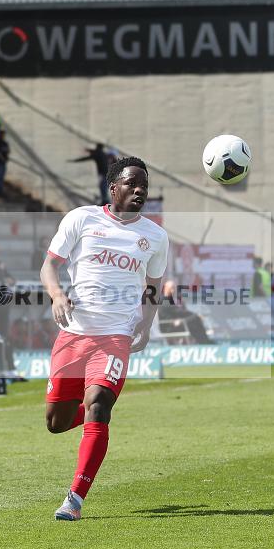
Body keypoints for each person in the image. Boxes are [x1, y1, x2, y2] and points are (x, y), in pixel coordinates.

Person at [40, 156, 169, 521]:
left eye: (144, 185)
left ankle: (75, 499)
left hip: (115, 337)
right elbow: (49, 265)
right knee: (56, 423)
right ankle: (86, 411)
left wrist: (145, 325)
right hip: (74, 334)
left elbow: (154, 287)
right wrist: (57, 295)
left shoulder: (155, 236)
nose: (139, 190)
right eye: (131, 183)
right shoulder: (82, 218)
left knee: (99, 406)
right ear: (113, 187)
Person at [159, 280, 213, 344]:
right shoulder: (164, 300)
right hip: (169, 326)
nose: (173, 290)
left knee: (194, 320)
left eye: (174, 288)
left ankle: (203, 341)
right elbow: (178, 311)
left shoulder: (172, 300)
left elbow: (180, 311)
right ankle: (204, 341)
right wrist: (195, 315)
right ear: (165, 288)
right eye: (171, 288)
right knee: (195, 318)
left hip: (177, 322)